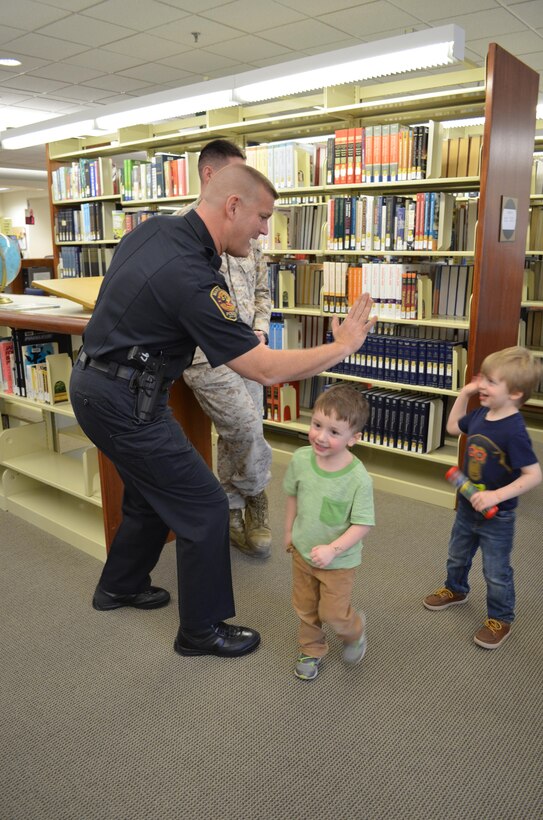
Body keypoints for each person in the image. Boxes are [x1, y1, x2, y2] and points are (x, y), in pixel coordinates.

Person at [69, 163, 377, 659]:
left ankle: (119, 586)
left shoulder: (153, 231)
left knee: (152, 493)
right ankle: (201, 630)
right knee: (205, 506)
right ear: (232, 206)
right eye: (261, 217)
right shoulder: (192, 274)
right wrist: (339, 348)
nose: (263, 230)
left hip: (97, 387)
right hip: (124, 401)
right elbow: (263, 369)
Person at [179, 139, 273, 559]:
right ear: (210, 176)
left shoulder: (253, 231)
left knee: (246, 430)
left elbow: (262, 290)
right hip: (204, 355)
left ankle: (236, 508)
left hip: (248, 349)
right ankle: (251, 496)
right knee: (245, 429)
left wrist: (261, 328)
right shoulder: (182, 231)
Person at [423, 346, 542, 649]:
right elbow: (452, 428)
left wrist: (495, 496)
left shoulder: (514, 431)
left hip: (497, 516)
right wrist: (464, 395)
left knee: (496, 570)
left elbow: (534, 475)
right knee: (457, 555)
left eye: (491, 381)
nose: (482, 386)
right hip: (467, 507)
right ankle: (456, 589)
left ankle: (501, 618)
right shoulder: (480, 415)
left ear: (515, 393)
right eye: (482, 379)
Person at [283, 384, 375, 680]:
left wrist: (332, 549)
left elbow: (363, 524)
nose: (321, 436)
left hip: (339, 562)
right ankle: (311, 650)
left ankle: (354, 630)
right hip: (303, 551)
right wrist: (289, 533)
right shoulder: (300, 459)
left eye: (334, 432)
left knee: (333, 613)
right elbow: (293, 496)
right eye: (317, 424)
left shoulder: (359, 479)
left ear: (354, 439)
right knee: (306, 608)